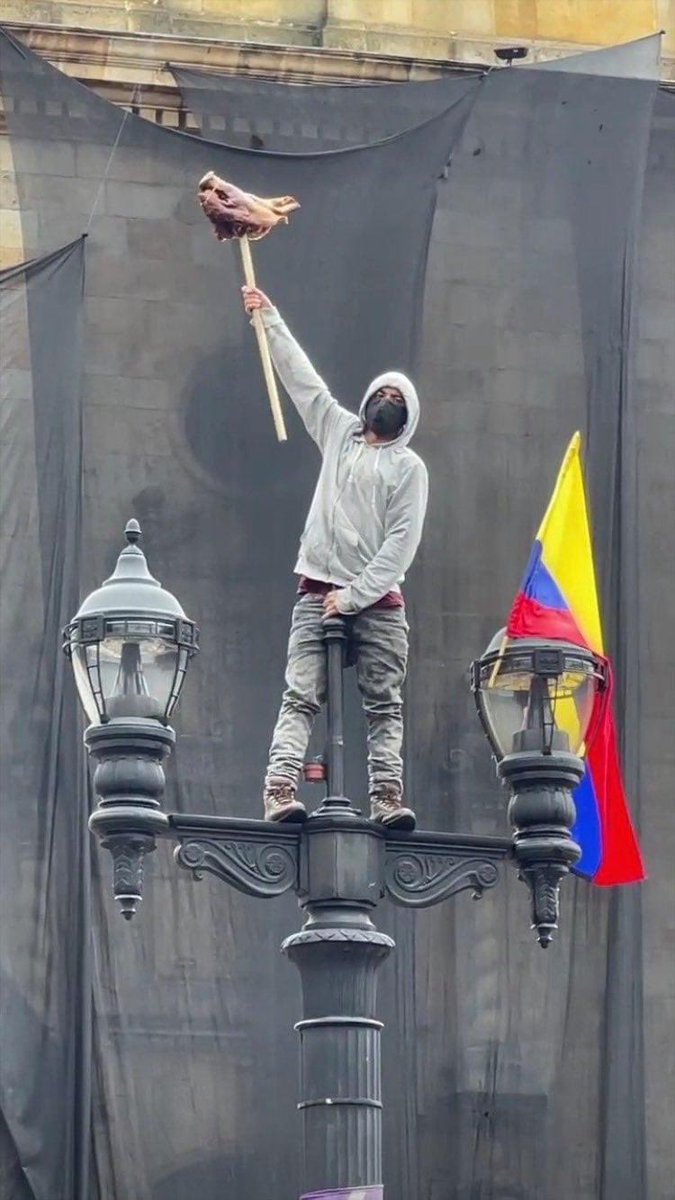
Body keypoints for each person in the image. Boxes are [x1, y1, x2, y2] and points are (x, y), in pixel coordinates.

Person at [242, 285, 429, 830]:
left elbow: (401, 543)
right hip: (316, 589)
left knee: (383, 704)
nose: (388, 400)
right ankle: (279, 788)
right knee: (300, 694)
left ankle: (386, 798)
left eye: (398, 397)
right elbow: (302, 380)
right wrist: (269, 317)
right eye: (384, 392)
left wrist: (355, 596)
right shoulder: (339, 431)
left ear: (407, 416)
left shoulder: (409, 469)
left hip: (378, 603)